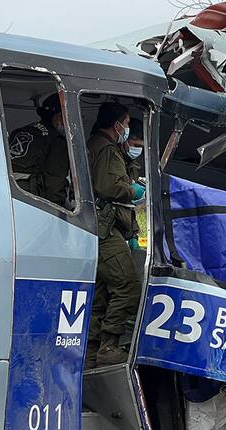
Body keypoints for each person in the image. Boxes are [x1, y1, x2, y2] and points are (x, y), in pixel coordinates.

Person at [86, 102, 145, 368]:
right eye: (127, 124)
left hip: (101, 228)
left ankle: (92, 351)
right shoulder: (107, 149)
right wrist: (135, 191)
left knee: (100, 294)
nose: (128, 129)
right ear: (117, 124)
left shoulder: (99, 146)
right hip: (104, 230)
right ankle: (109, 346)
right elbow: (109, 187)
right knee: (128, 286)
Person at [8, 93, 71, 208]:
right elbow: (54, 183)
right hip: (32, 201)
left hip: (8, 196)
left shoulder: (20, 131)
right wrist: (58, 212)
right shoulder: (57, 140)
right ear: (59, 116)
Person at [124, 118, 145, 251]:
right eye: (135, 145)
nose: (137, 150)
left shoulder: (133, 166)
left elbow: (129, 207)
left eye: (141, 147)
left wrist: (133, 234)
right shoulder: (114, 161)